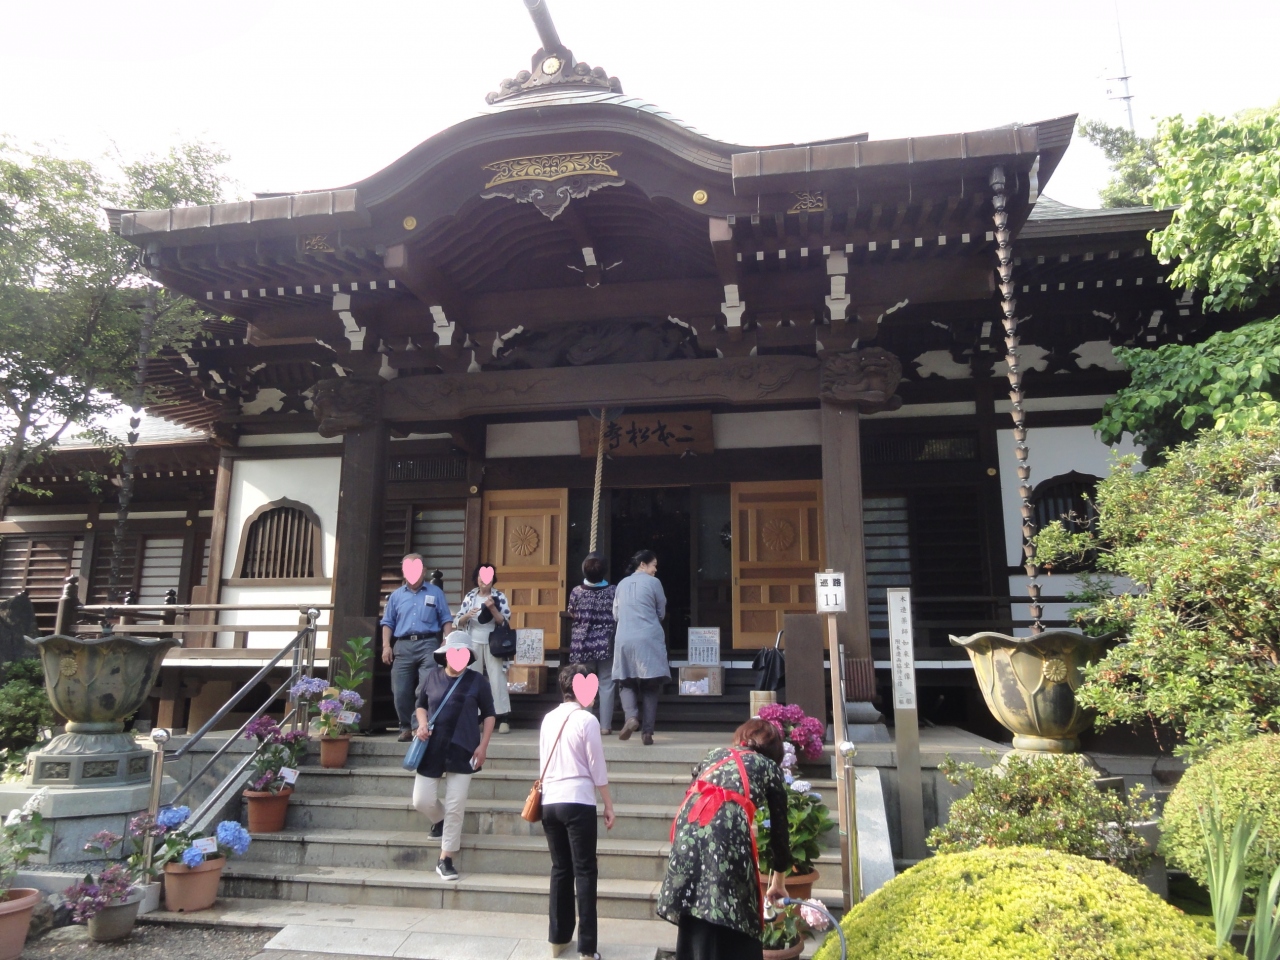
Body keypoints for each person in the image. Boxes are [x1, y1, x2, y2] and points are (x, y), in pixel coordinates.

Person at [657, 719, 791, 960]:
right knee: (735, 909)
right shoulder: (769, 767)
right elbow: (779, 832)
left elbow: (694, 788)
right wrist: (778, 880)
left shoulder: (714, 755)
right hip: (725, 831)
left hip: (689, 829)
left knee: (695, 905)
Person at [541, 664, 616, 960]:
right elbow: (597, 765)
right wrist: (608, 803)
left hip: (550, 799)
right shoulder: (587, 720)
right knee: (585, 871)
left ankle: (558, 939)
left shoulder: (548, 718)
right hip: (578, 800)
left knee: (560, 869)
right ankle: (587, 947)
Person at [412, 630, 496, 882]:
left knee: (456, 805)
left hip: (465, 747)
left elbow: (489, 715)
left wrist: (483, 746)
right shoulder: (432, 676)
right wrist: (422, 724)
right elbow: (420, 705)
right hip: (432, 747)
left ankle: (445, 858)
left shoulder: (478, 681)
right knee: (421, 800)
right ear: (445, 655)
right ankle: (440, 820)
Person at [381, 554, 454, 742]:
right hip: (402, 644)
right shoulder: (396, 595)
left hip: (428, 643)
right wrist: (386, 646)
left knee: (425, 687)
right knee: (400, 690)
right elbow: (388, 622)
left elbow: (446, 618)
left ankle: (418, 726)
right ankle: (405, 726)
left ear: (424, 571)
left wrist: (447, 640)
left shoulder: (435, 592)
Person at [611, 549, 668, 745]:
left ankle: (631, 717)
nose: (655, 570)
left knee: (625, 682)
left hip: (624, 637)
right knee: (650, 686)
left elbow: (616, 614)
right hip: (648, 637)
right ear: (643, 564)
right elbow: (661, 612)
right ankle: (647, 733)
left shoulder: (621, 584)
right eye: (654, 565)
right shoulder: (655, 583)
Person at [455, 563, 513, 734]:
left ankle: (503, 717)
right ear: (477, 578)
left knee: (497, 678)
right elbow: (458, 620)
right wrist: (467, 615)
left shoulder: (499, 596)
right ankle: (476, 717)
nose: (484, 580)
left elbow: (504, 621)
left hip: (494, 642)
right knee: (473, 678)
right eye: (481, 576)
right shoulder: (470, 596)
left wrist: (492, 608)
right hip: (472, 641)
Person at [566, 552, 617, 734]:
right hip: (605, 643)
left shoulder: (577, 591)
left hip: (583, 644)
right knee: (606, 683)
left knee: (585, 682)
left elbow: (571, 612)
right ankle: (605, 726)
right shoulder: (613, 591)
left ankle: (587, 725)